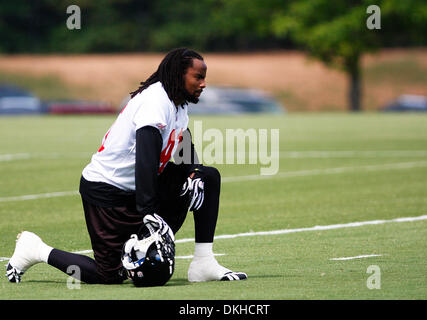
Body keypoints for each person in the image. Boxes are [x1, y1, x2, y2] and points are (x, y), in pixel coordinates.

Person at [6, 48, 247, 285]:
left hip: (139, 185)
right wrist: (149, 212)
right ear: (178, 75)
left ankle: (203, 262)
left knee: (206, 178)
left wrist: (194, 172)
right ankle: (35, 249)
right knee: (110, 275)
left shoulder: (179, 102)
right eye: (198, 77)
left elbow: (182, 142)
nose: (204, 83)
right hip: (108, 191)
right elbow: (146, 160)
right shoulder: (155, 101)